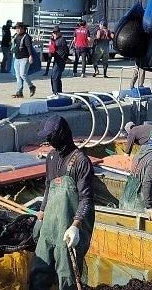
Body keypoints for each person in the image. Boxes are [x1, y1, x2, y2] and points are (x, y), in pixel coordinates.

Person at [29, 116, 94, 290]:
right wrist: (41, 216)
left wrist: (75, 226)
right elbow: (49, 188)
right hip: (50, 226)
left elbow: (86, 199)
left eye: (50, 137)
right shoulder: (51, 157)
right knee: (39, 270)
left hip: (68, 229)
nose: (48, 140)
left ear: (61, 135)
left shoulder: (80, 161)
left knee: (67, 276)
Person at [119, 128, 152, 220]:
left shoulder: (139, 153)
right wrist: (149, 206)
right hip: (139, 204)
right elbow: (147, 181)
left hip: (127, 199)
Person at [10, 22, 37, 98]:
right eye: (16, 28)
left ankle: (31, 86)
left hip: (24, 58)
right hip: (17, 58)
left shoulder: (26, 36)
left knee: (23, 74)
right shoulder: (16, 36)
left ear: (22, 28)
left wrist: (30, 56)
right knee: (18, 76)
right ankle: (19, 92)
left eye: (18, 28)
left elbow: (29, 47)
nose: (17, 30)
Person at [48, 27, 69, 95]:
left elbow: (66, 51)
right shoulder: (53, 40)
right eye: (54, 32)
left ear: (59, 32)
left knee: (55, 77)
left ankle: (56, 92)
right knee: (55, 77)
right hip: (56, 60)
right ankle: (58, 92)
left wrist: (64, 59)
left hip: (61, 60)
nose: (55, 34)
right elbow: (51, 51)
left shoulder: (62, 40)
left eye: (56, 32)